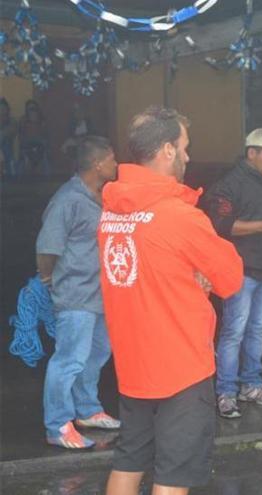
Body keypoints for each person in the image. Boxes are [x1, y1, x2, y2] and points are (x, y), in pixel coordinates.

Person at [100, 106, 244, 495]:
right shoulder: (179, 216)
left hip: (133, 366)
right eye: (183, 147)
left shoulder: (111, 211)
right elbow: (230, 277)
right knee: (173, 477)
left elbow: (150, 273)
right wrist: (201, 278)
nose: (187, 156)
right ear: (165, 150)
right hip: (181, 367)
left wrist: (190, 276)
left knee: (129, 460)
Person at [202, 128, 262, 420]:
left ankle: (252, 385)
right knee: (234, 331)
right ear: (252, 153)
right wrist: (261, 226)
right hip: (240, 271)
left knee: (257, 330)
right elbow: (220, 225)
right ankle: (226, 392)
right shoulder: (228, 186)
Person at [37, 136, 119, 449]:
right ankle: (57, 425)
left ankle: (87, 410)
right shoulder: (67, 199)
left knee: (97, 353)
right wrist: (48, 279)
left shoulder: (101, 195)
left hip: (101, 294)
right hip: (75, 295)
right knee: (69, 360)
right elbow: (47, 248)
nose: (116, 164)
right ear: (98, 164)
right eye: (111, 159)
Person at [19, 99, 49, 175]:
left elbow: (45, 137)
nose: (32, 111)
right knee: (24, 157)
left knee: (44, 156)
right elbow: (22, 137)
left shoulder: (42, 121)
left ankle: (46, 179)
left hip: (40, 147)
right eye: (30, 109)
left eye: (34, 108)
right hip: (27, 146)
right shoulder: (23, 120)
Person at [0, 98, 16, 178]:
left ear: (7, 109)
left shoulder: (12, 120)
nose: (2, 110)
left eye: (4, 108)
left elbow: (11, 131)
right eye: (0, 108)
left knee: (5, 142)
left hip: (7, 148)